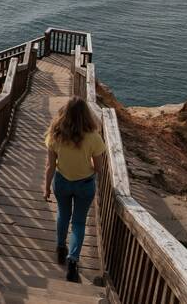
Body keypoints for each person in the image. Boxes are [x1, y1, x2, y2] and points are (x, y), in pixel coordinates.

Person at [43, 97, 105, 283]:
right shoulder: (94, 137)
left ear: (65, 112)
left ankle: (60, 248)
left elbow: (50, 166)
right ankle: (73, 260)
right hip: (85, 184)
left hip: (62, 182)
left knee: (63, 214)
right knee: (78, 222)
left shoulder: (55, 135)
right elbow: (98, 168)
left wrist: (46, 188)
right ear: (86, 115)